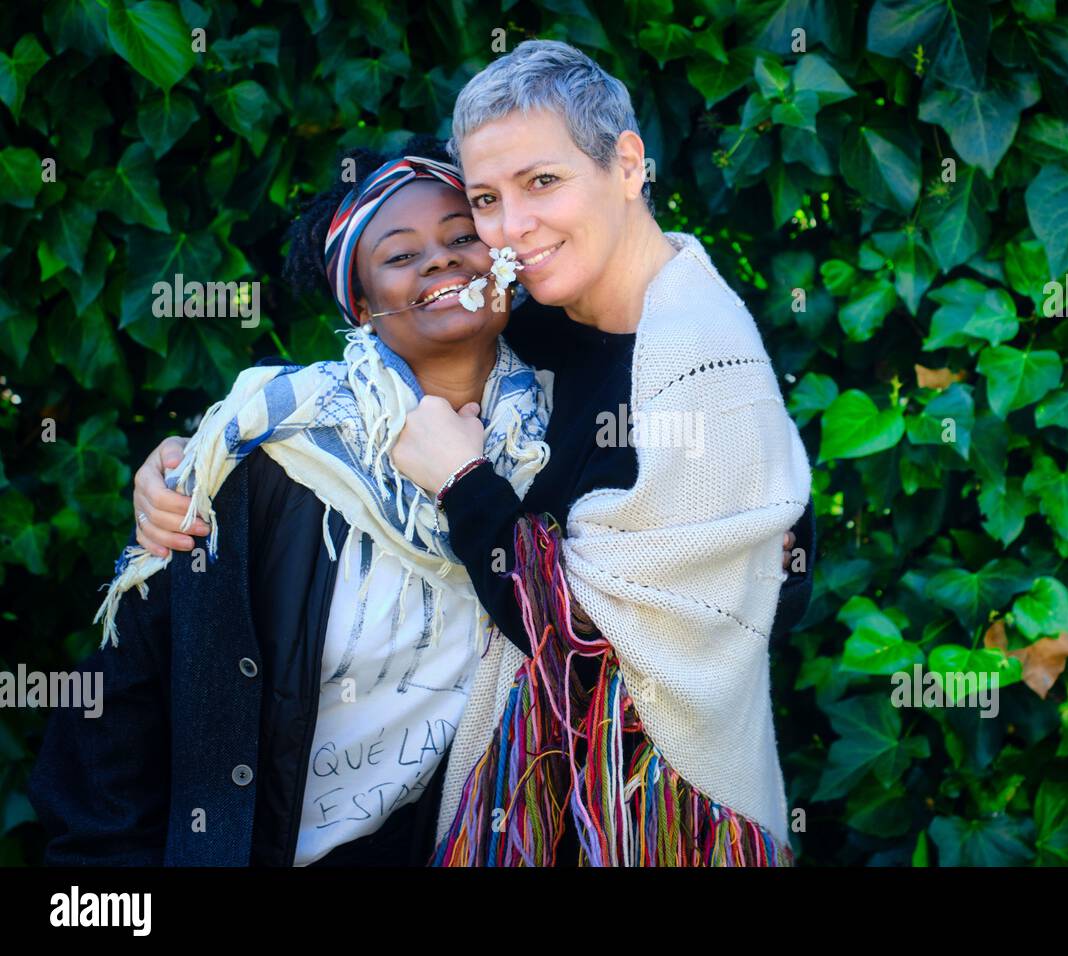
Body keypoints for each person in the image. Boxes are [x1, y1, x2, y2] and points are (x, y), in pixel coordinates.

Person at [131, 41, 818, 866]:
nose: (512, 228)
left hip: (643, 823)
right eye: (488, 198)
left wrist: (464, 483)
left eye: (543, 183)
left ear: (628, 163)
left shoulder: (696, 366)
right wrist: (186, 461)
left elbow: (593, 648)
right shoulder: (532, 334)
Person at [29, 139, 556, 866]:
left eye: (463, 236)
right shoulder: (268, 451)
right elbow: (120, 704)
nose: (440, 259)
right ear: (363, 307)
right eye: (400, 255)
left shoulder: (559, 453)